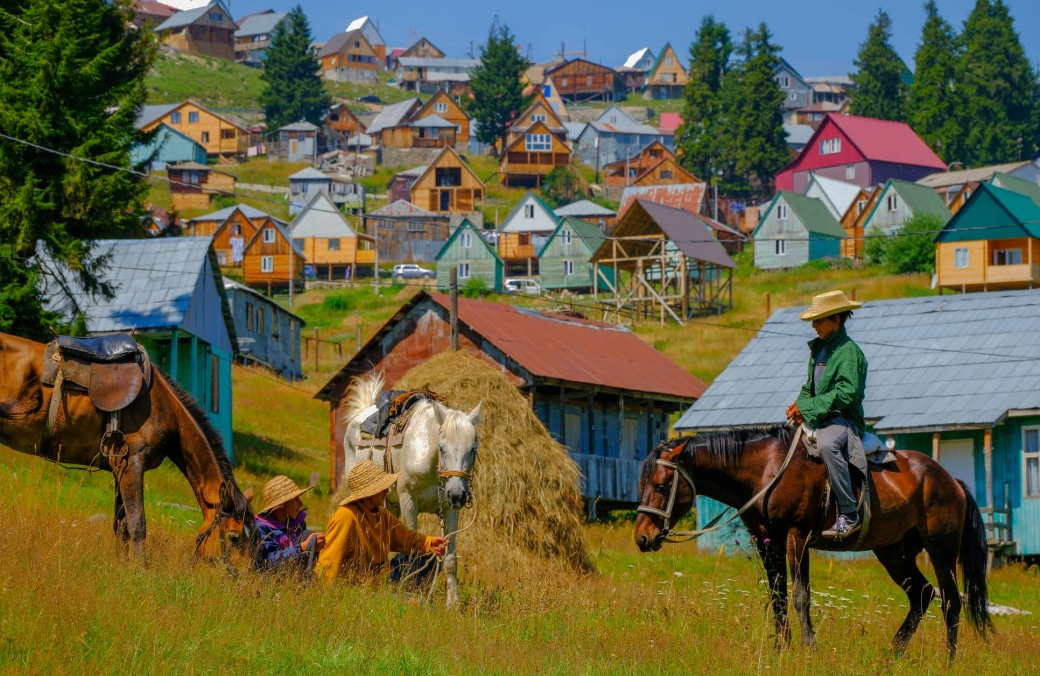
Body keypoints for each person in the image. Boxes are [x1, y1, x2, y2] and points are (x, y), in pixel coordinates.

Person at [785, 290, 868, 540]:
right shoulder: (819, 349)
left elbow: (847, 393)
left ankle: (849, 513)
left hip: (843, 420)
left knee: (826, 445)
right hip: (819, 416)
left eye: (819, 319)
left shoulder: (849, 352)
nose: (813, 325)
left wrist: (808, 408)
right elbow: (808, 387)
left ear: (836, 319)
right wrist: (798, 406)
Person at [316, 461, 449, 583]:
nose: (387, 491)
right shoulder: (345, 517)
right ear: (367, 493)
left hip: (383, 577)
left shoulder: (382, 514)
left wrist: (429, 543)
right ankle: (404, 600)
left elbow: (407, 539)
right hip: (360, 585)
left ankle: (406, 596)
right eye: (381, 487)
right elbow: (328, 565)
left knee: (430, 559)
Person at [255, 475, 324, 571]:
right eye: (296, 499)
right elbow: (268, 563)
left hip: (295, 578)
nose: (301, 504)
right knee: (307, 535)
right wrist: (301, 548)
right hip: (275, 581)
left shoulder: (298, 524)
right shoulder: (262, 529)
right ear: (280, 505)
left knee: (309, 536)